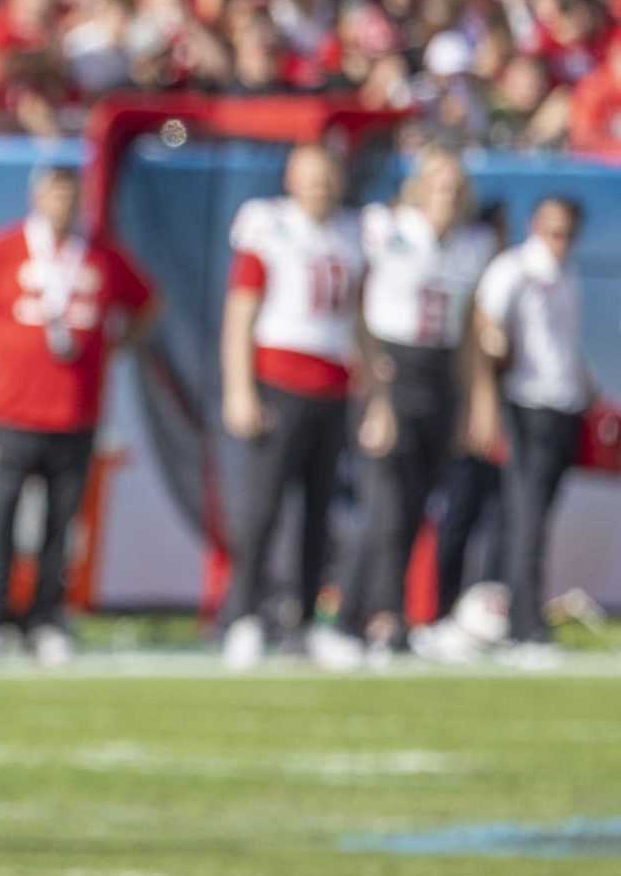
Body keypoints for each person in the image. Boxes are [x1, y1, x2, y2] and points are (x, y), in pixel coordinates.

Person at [0, 164, 161, 664]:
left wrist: (112, 346)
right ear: (36, 197)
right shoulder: (2, 249)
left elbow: (148, 304)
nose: (63, 206)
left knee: (60, 527)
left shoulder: (99, 255)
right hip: (12, 410)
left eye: (71, 196)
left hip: (76, 413)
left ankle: (46, 619)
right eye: (54, 195)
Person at [342, 152, 498, 657]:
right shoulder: (387, 230)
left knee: (417, 505)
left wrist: (477, 398)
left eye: (455, 189)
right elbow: (359, 311)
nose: (446, 199)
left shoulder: (473, 245)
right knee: (384, 502)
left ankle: (393, 616)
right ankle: (362, 617)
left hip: (441, 372)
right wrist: (377, 388)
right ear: (418, 188)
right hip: (393, 367)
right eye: (437, 187)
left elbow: (471, 327)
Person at [218, 145, 367, 670]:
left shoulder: (353, 234)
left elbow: (361, 321)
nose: (321, 187)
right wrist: (240, 388)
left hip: (335, 386)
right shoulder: (268, 226)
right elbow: (240, 312)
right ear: (291, 179)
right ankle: (242, 616)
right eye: (311, 177)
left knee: (319, 515)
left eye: (328, 177)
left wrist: (371, 391)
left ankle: (303, 622)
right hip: (279, 380)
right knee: (262, 511)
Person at [473, 196, 589, 666]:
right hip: (527, 403)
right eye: (553, 231)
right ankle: (523, 621)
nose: (559, 242)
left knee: (538, 516)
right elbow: (485, 320)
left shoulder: (567, 276)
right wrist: (487, 391)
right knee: (525, 515)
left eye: (567, 234)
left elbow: (564, 344)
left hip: (563, 403)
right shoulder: (515, 268)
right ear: (534, 225)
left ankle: (519, 612)